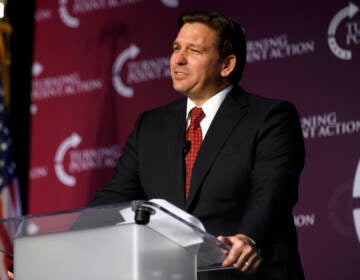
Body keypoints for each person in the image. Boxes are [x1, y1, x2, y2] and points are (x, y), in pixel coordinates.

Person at [89, 10, 305, 280]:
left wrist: (249, 239)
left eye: (194, 51)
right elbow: (113, 198)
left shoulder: (270, 117)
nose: (178, 59)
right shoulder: (151, 125)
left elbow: (272, 192)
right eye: (176, 48)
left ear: (226, 65)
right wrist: (60, 246)